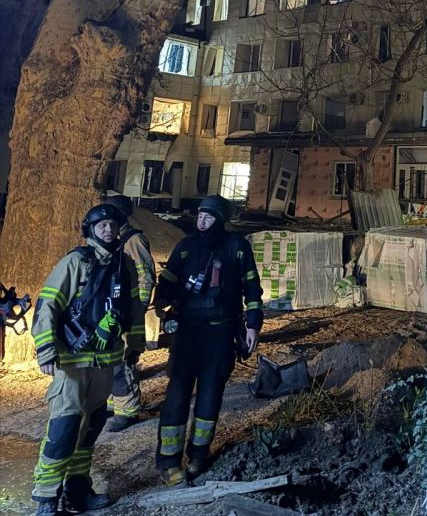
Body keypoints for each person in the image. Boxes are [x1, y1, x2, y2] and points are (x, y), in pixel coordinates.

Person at [30, 203, 144, 515]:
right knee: (64, 430)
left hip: (105, 363)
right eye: (101, 224)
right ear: (90, 229)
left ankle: (77, 492)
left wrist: (136, 343)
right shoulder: (75, 262)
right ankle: (45, 499)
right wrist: (46, 349)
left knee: (89, 431)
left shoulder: (125, 265)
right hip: (73, 362)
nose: (108, 229)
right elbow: (47, 305)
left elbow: (133, 308)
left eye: (112, 224)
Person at [154, 195, 263, 485]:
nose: (201, 220)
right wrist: (162, 303)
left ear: (220, 219)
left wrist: (253, 326)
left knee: (210, 395)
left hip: (221, 332)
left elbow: (252, 288)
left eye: (208, 216)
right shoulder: (187, 246)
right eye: (200, 215)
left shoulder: (237, 247)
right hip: (188, 333)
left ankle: (199, 454)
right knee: (177, 394)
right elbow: (167, 282)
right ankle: (168, 460)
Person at [104, 194, 156, 432]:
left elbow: (146, 276)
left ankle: (127, 411)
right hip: (112, 310)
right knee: (107, 359)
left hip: (128, 311)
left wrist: (139, 309)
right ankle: (111, 403)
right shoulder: (112, 239)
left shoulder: (132, 240)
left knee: (122, 361)